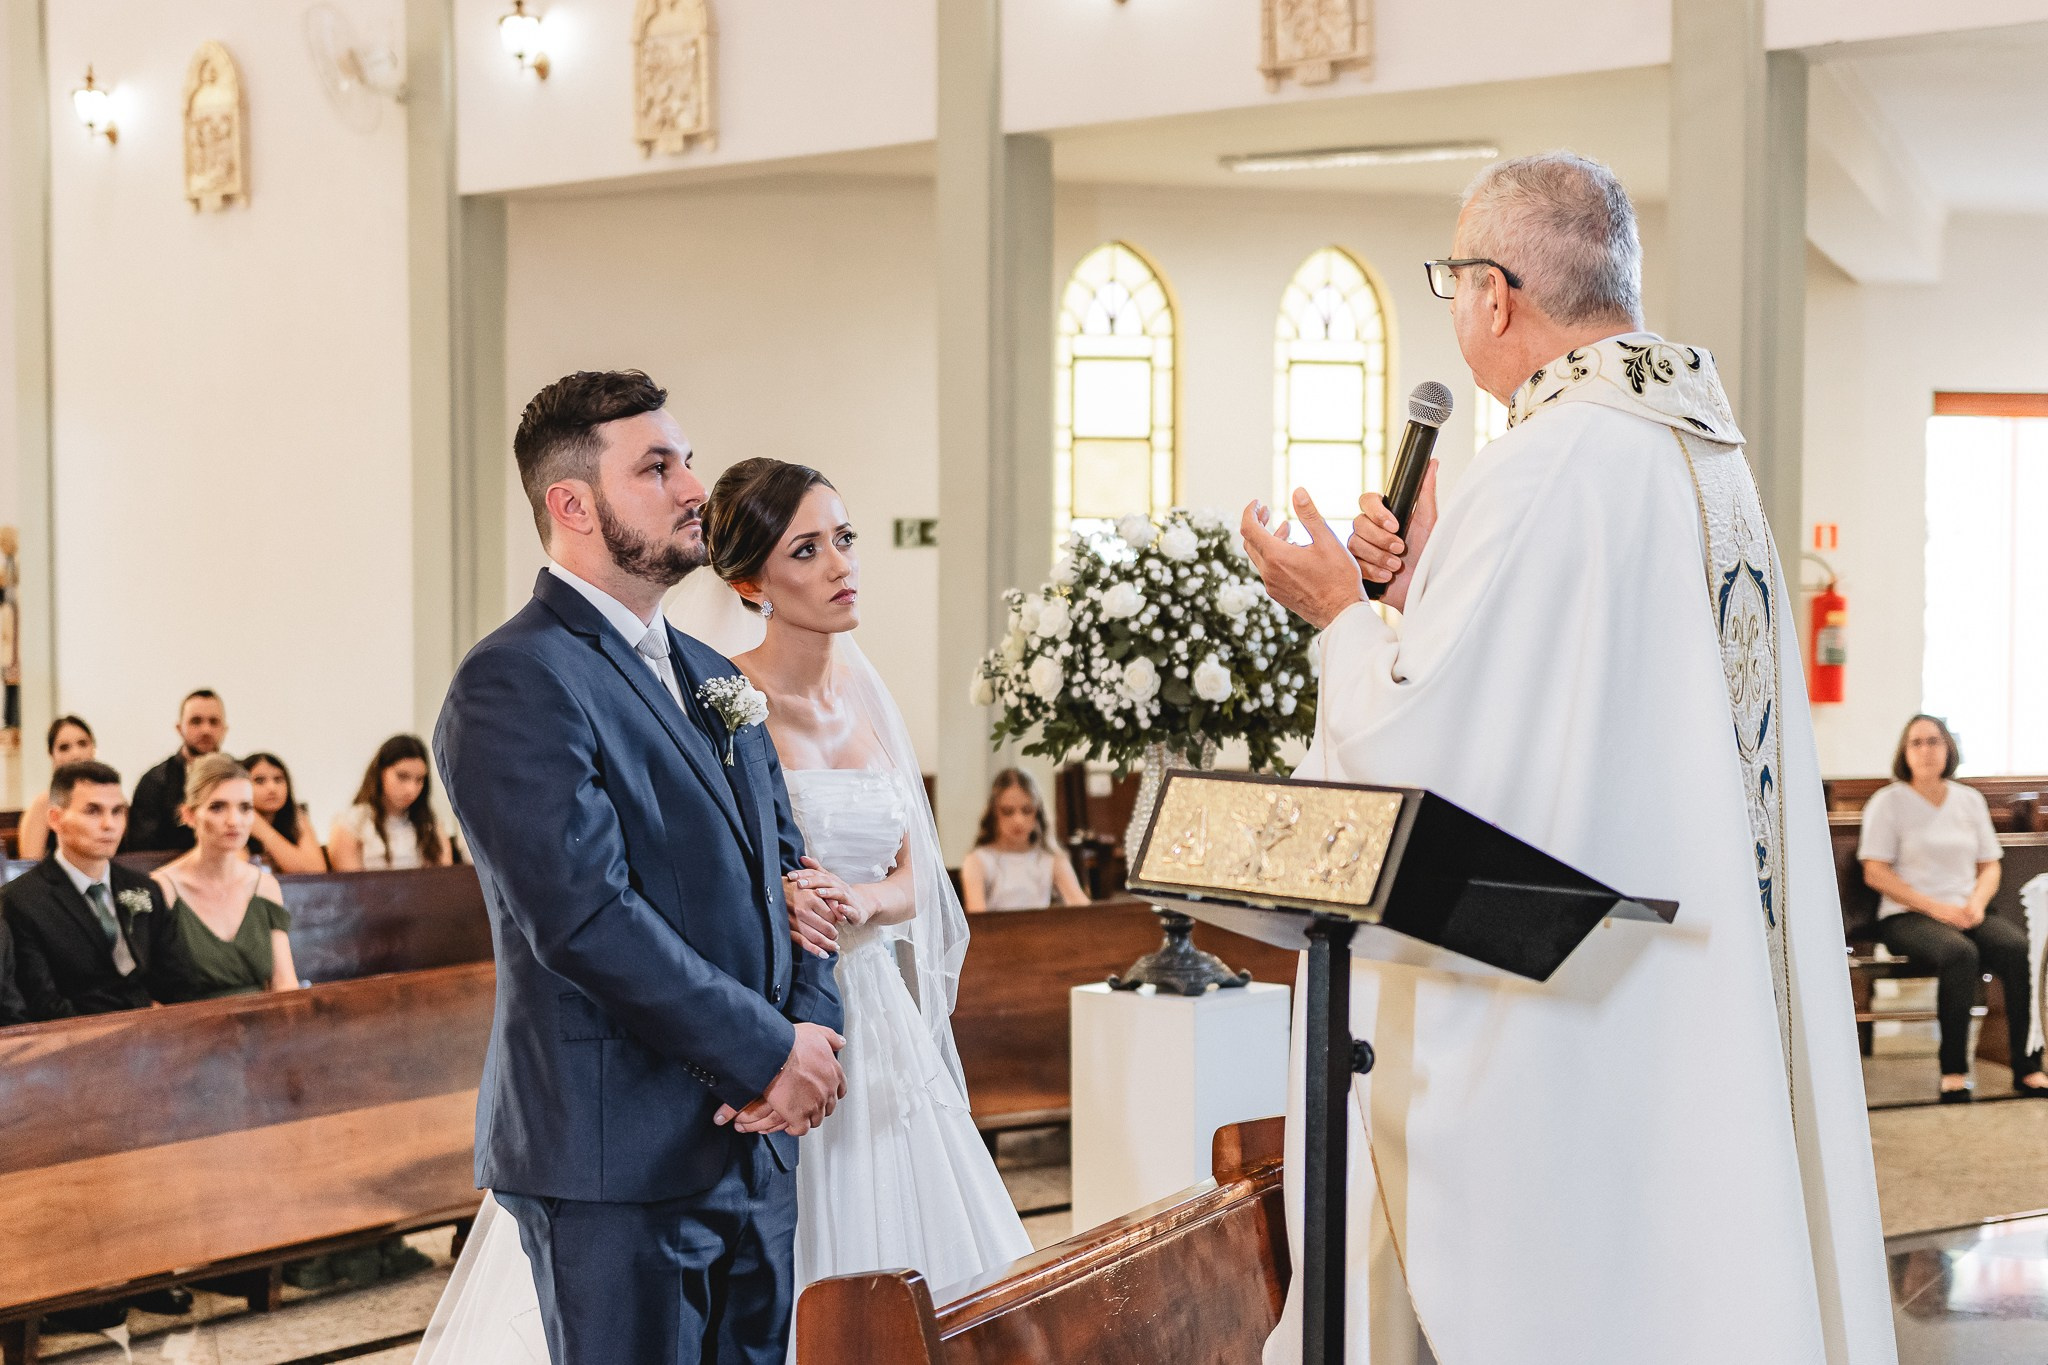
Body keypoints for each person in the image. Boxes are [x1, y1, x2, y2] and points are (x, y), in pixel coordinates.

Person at [1239, 152, 1893, 1364]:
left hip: (1569, 1004)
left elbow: (1420, 755)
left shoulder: (1539, 469)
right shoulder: (1698, 454)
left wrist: (1338, 611)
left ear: (1493, 294)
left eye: (1450, 279)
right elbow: (1567, 704)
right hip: (1679, 977)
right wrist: (1429, 573)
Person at [422, 370, 845, 1365]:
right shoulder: (515, 681)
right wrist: (767, 1053)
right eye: (656, 467)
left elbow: (798, 875)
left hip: (755, 1146)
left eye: (686, 459)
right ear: (572, 505)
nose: (693, 486)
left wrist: (813, 1034)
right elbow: (584, 920)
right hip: (616, 1158)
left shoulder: (709, 675)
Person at [1860, 715, 2046, 1101]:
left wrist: (1976, 903)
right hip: (1907, 914)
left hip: (1968, 910)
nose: (1926, 750)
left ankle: (2027, 1067)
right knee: (1960, 953)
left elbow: (1990, 864)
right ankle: (1954, 1071)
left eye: (1934, 741)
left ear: (1948, 748)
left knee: (2016, 949)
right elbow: (1876, 872)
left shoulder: (1968, 800)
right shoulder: (1888, 802)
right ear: (1904, 752)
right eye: (1917, 743)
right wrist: (1937, 908)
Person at [4, 760, 172, 1018]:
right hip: (74, 1042)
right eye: (93, 811)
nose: (109, 824)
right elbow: (43, 1001)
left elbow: (170, 978)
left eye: (117, 811)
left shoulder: (145, 887)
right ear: (55, 818)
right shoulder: (20, 900)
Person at [148, 755, 299, 1002]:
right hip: (189, 1031)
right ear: (189, 815)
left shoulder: (264, 886)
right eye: (217, 807)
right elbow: (149, 996)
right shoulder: (162, 888)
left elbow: (285, 983)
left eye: (245, 808)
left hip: (262, 1029)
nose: (234, 821)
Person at [960, 768, 1090, 911]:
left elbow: (1082, 911)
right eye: (1008, 812)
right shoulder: (977, 861)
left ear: (1038, 813)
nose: (1018, 821)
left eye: (1027, 810)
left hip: (1042, 932)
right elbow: (977, 919)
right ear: (994, 813)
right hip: (996, 932)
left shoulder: (1051, 859)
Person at [121, 689, 228, 853]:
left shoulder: (239, 778)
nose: (206, 730)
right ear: (180, 728)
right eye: (196, 721)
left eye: (213, 722)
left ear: (224, 729)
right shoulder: (154, 782)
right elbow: (141, 853)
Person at [327, 735, 455, 871]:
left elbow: (444, 880)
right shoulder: (351, 823)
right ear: (380, 772)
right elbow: (352, 886)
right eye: (402, 776)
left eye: (419, 779)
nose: (411, 789)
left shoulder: (430, 825)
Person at [17, 715, 98, 861]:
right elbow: (29, 865)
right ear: (52, 755)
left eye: (83, 743)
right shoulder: (44, 803)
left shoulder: (108, 798)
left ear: (93, 748)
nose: (76, 754)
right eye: (64, 748)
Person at [244, 752, 327, 873]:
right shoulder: (234, 821)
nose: (272, 788)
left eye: (278, 780)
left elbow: (315, 872)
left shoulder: (297, 817)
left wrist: (263, 830)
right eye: (259, 780)